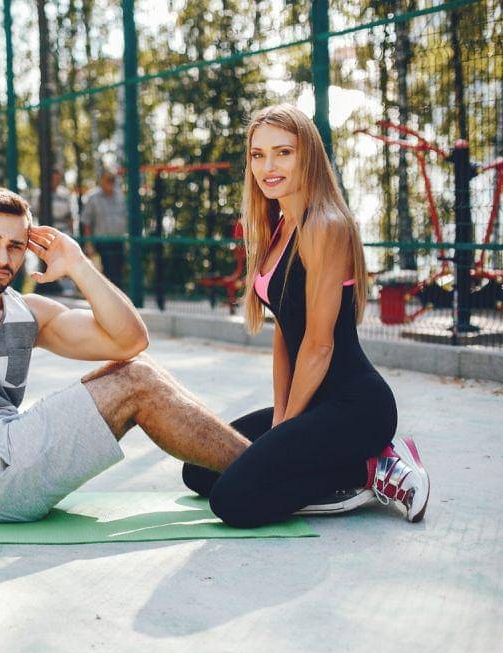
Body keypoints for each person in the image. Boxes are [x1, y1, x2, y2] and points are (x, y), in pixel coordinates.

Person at [0, 187, 250, 522]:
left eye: (15, 247)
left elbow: (129, 342)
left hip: (2, 459)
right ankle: (266, 473)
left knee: (138, 371)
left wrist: (77, 264)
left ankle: (240, 468)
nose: (2, 259)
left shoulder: (26, 313)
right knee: (137, 383)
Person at [180, 104, 431, 526]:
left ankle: (373, 469)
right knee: (199, 469)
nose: (268, 166)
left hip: (356, 408)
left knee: (233, 502)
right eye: (258, 155)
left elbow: (318, 344)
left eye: (283, 152)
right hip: (312, 402)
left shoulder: (325, 225)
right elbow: (285, 335)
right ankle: (342, 466)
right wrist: (281, 416)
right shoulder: (278, 227)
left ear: (308, 156)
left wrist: (285, 430)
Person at [29, 169, 76, 296]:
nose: (55, 181)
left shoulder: (65, 194)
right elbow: (33, 213)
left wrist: (72, 233)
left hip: (63, 232)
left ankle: (62, 287)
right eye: (53, 178)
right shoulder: (39, 194)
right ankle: (44, 284)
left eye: (57, 178)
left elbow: (70, 215)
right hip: (45, 233)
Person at [81, 171, 128, 289]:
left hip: (119, 241)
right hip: (102, 242)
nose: (111, 182)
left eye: (113, 179)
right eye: (108, 179)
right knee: (107, 274)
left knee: (119, 274)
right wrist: (88, 243)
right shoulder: (93, 198)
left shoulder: (120, 196)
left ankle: (118, 301)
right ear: (101, 180)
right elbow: (86, 222)